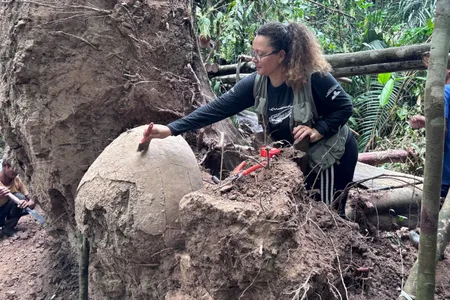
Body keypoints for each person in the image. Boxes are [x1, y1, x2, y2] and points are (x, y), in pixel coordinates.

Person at [144, 22, 358, 217]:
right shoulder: (257, 84)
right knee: (306, 210)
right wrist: (171, 129)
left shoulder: (313, 77)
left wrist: (318, 129)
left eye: (261, 54)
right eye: (253, 53)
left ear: (281, 55)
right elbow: (216, 109)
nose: (254, 60)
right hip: (303, 158)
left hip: (332, 155)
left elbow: (344, 107)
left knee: (329, 216)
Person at [409, 69, 450, 198]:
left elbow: (441, 130)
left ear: (447, 70)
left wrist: (433, 167)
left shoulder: (444, 92)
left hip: (445, 173)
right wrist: (426, 122)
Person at [0, 159, 35, 236]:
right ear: (4, 166)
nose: (16, 172)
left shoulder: (17, 180)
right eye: (13, 168)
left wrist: (31, 201)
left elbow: (28, 195)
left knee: (21, 198)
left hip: (4, 213)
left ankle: (8, 227)